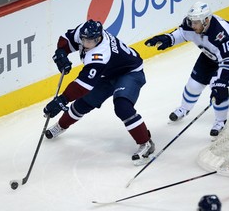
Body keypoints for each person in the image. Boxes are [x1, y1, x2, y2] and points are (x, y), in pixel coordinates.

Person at [43, 19, 155, 165]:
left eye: (91, 41)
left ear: (99, 38)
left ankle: (146, 143)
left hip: (129, 73)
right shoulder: (84, 30)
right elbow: (66, 39)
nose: (86, 44)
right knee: (83, 103)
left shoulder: (100, 54)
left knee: (122, 107)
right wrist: (61, 52)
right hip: (106, 73)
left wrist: (62, 100)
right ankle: (61, 126)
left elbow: (83, 85)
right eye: (84, 40)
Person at [145, 1, 229, 137]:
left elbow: (228, 62)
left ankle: (220, 121)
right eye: (191, 21)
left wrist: (220, 83)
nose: (192, 25)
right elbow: (182, 34)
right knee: (193, 85)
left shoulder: (220, 35)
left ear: (206, 20)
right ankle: (184, 109)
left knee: (218, 86)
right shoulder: (192, 25)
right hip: (210, 53)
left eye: (196, 22)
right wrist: (169, 38)